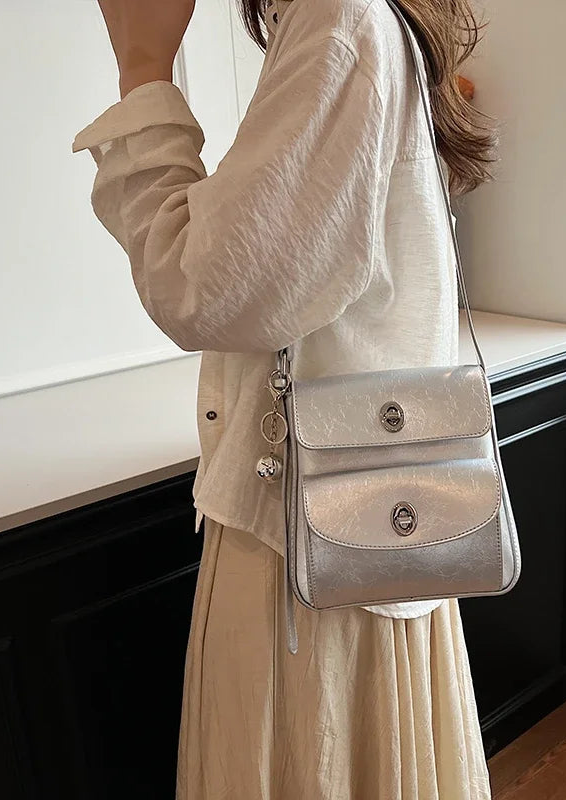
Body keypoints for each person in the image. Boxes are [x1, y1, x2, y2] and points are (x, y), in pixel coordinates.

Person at [73, 0, 497, 797]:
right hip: (364, 522)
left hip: (305, 544)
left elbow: (204, 289)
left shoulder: (339, 20)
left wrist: (143, 67)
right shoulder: (366, 21)